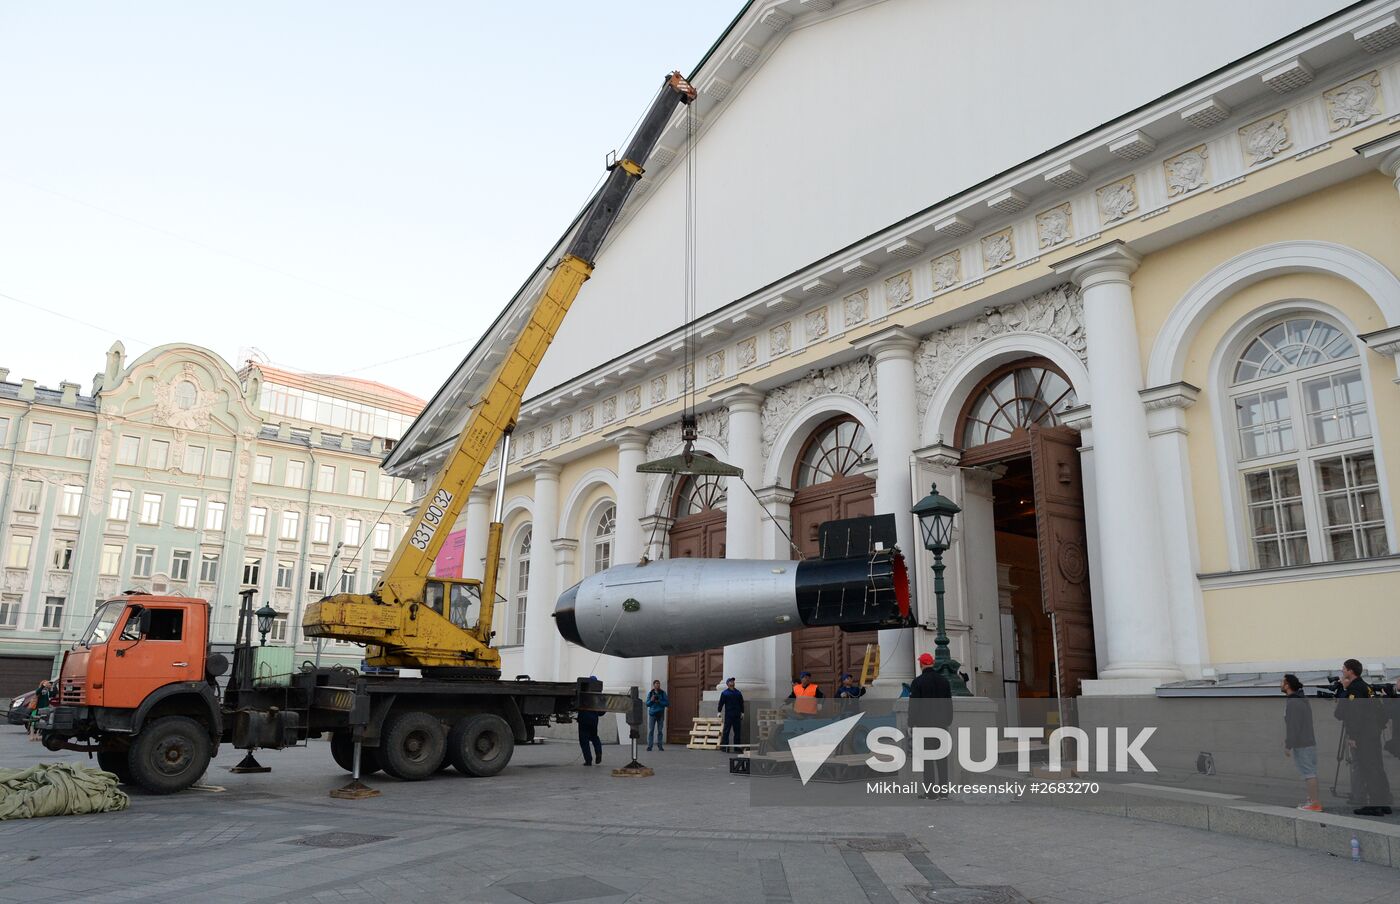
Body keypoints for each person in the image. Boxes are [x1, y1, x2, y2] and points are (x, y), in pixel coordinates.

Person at [1333, 658, 1393, 816]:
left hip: (1362, 735)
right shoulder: (1367, 687)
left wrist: (1353, 736)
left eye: (1344, 669)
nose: (1342, 671)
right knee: (1377, 767)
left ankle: (1374, 806)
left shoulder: (1354, 690)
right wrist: (1378, 728)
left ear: (1350, 671)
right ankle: (1384, 802)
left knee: (1368, 769)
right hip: (1372, 734)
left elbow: (1351, 714)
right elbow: (1380, 710)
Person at [908, 652, 953, 798]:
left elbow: (914, 706)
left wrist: (911, 724)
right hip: (941, 725)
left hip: (924, 725)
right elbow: (948, 704)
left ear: (921, 664)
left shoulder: (917, 682)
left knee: (927, 760)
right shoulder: (944, 681)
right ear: (932, 663)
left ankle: (931, 793)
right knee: (942, 759)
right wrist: (947, 721)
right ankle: (944, 792)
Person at [1281, 674, 1321, 811]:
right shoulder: (1301, 700)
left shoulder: (1293, 703)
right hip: (1308, 741)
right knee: (1311, 772)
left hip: (1302, 744)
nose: (1281, 685)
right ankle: (1311, 800)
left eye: (1283, 683)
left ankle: (1314, 803)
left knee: (1308, 773)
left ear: (1287, 685)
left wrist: (1288, 744)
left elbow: (1294, 725)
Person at [577, 677, 603, 766]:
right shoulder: (598, 695)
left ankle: (588, 760)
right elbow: (601, 712)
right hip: (594, 720)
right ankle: (598, 752)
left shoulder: (583, 692)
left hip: (583, 719)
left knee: (584, 740)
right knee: (594, 737)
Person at [717, 677, 744, 752]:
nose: (732, 682)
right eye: (731, 681)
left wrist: (742, 712)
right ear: (728, 683)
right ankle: (725, 747)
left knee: (737, 732)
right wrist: (719, 711)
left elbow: (741, 703)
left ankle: (737, 747)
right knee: (726, 731)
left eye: (733, 681)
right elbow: (721, 703)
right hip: (729, 715)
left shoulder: (738, 693)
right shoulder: (724, 693)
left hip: (737, 715)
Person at [645, 679, 669, 752]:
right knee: (651, 730)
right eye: (656, 684)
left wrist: (659, 701)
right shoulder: (650, 693)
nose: (657, 685)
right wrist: (651, 700)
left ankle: (660, 745)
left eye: (658, 684)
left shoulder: (662, 693)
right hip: (652, 714)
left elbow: (667, 703)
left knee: (660, 730)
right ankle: (650, 746)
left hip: (660, 714)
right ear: (653, 685)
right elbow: (647, 704)